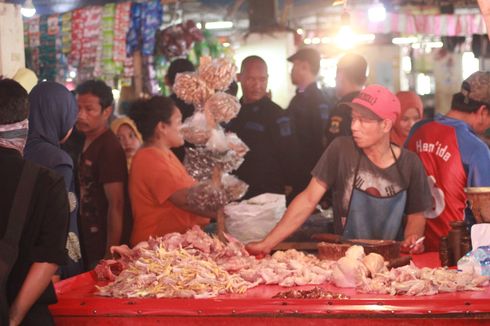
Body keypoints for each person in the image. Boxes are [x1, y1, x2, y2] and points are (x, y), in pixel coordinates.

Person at [246, 85, 432, 256]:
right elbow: (308, 199)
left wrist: (412, 239)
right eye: (353, 118)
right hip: (346, 261)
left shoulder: (410, 163)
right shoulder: (341, 150)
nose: (353, 126)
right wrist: (267, 243)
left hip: (392, 264)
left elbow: (416, 215)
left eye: (363, 120)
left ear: (385, 125)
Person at [0, 79, 69, 325]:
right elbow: (48, 258)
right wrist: (14, 316)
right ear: (25, 123)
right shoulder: (47, 181)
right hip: (26, 315)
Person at [406, 72, 490, 251]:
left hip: (413, 251)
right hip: (457, 257)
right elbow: (485, 216)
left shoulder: (417, 130)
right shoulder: (476, 149)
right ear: (483, 111)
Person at [128, 96, 211, 246]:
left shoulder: (163, 152)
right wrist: (225, 211)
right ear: (162, 127)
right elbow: (186, 200)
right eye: (179, 122)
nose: (184, 127)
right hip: (154, 247)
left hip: (173, 243)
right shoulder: (150, 158)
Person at [23, 82, 83, 279]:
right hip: (51, 269)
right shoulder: (58, 161)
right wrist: (55, 274)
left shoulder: (17, 149)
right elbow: (57, 225)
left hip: (23, 260)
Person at [75, 80, 129, 270]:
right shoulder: (82, 139)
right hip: (86, 238)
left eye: (89, 109)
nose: (81, 115)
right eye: (78, 108)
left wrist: (110, 251)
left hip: (101, 242)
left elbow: (117, 203)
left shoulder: (109, 147)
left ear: (107, 111)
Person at [226, 55, 296, 199]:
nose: (257, 85)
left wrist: (290, 182)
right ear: (239, 77)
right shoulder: (231, 111)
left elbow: (289, 153)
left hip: (267, 193)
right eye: (251, 79)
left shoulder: (276, 114)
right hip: (235, 191)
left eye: (262, 79)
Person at [287, 48, 331, 192]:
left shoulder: (317, 101)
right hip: (299, 176)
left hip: (310, 180)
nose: (291, 71)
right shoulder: (298, 99)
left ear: (305, 67)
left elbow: (322, 144)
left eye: (294, 66)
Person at [324, 53, 368, 149]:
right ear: (364, 79)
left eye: (336, 75)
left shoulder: (341, 109)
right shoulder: (370, 107)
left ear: (341, 75)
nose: (335, 79)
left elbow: (336, 149)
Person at [165, 58, 196, 162]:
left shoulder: (165, 106)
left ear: (168, 80)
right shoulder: (202, 103)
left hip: (172, 161)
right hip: (200, 163)